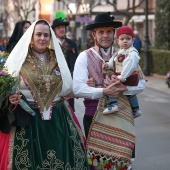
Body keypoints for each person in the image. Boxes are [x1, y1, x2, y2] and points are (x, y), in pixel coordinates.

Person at [0, 19, 89, 170]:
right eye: (39, 34)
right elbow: (6, 86)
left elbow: (67, 85)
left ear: (50, 37)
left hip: (58, 119)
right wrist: (10, 98)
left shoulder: (57, 57)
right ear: (32, 36)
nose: (42, 38)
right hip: (28, 120)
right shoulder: (19, 58)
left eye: (46, 35)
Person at [73, 12, 146, 169]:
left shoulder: (127, 54)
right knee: (98, 163)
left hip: (123, 114)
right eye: (101, 32)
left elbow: (141, 84)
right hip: (94, 116)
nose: (105, 36)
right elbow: (77, 88)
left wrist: (124, 87)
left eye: (108, 32)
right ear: (94, 34)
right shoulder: (84, 57)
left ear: (114, 34)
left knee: (123, 160)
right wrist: (103, 92)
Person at [102, 26, 143, 118]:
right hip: (124, 76)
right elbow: (114, 60)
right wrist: (108, 65)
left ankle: (113, 105)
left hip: (128, 76)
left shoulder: (132, 53)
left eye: (128, 39)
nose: (125, 41)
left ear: (133, 40)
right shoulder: (120, 51)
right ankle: (136, 109)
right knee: (130, 95)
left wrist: (121, 77)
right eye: (122, 39)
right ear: (118, 41)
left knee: (111, 86)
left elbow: (130, 67)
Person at [51, 18, 78, 111]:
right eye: (59, 28)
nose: (62, 29)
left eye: (63, 27)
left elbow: (77, 63)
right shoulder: (50, 45)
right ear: (54, 30)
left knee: (70, 108)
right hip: (54, 81)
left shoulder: (72, 44)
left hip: (69, 80)